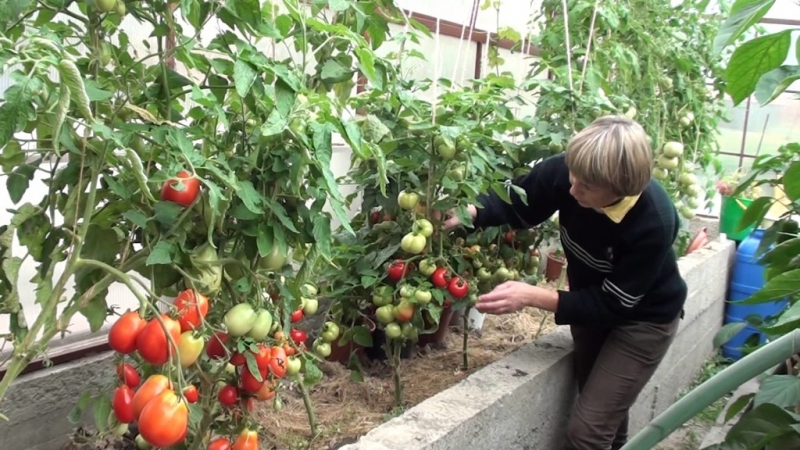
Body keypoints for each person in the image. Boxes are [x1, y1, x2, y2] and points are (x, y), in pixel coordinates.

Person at [443, 115, 688, 450]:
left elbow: (613, 304)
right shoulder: (573, 172)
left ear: (621, 188)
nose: (572, 190)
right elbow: (522, 202)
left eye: (586, 187)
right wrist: (472, 211)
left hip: (642, 322)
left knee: (587, 433)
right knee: (602, 416)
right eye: (573, 176)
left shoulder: (652, 221)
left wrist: (532, 295)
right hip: (589, 308)